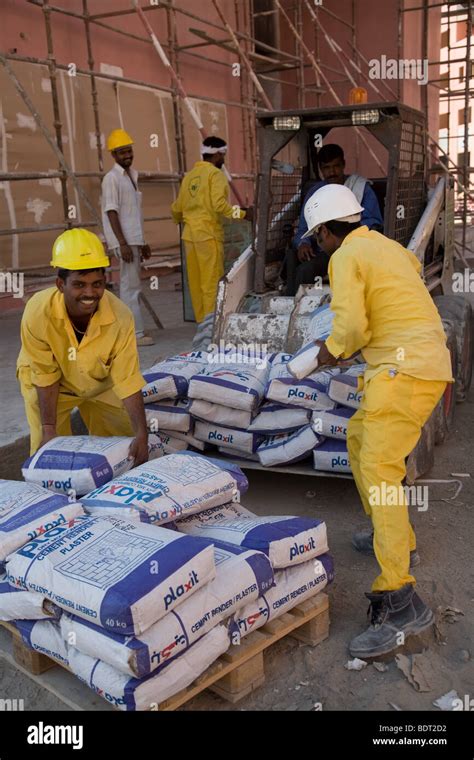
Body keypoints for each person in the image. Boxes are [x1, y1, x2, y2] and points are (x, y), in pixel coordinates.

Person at [302, 184, 453, 657]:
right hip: (417, 364)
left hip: (402, 371)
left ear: (328, 230)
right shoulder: (387, 247)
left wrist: (326, 354)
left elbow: (350, 328)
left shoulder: (344, 257)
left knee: (381, 470)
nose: (319, 244)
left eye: (318, 236)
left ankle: (401, 598)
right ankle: (396, 537)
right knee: (358, 437)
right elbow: (390, 309)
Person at [17, 228, 150, 466]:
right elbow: (45, 374)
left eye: (97, 284)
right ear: (60, 284)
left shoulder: (121, 317)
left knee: (124, 447)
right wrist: (49, 428)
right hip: (49, 387)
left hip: (99, 384)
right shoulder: (38, 313)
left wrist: (142, 432)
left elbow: (127, 378)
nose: (89, 293)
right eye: (79, 284)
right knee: (50, 454)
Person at [171, 136, 252, 326]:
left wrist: (184, 220)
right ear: (215, 155)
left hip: (190, 237)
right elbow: (219, 206)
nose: (223, 159)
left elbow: (176, 208)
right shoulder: (215, 175)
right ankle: (211, 328)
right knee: (210, 285)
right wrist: (243, 214)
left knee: (197, 285)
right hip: (208, 236)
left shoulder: (189, 177)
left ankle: (202, 325)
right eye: (222, 155)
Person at [287, 144, 383, 295]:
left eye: (336, 166)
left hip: (353, 248)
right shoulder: (314, 193)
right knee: (297, 263)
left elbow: (374, 222)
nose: (332, 172)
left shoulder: (360, 188)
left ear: (343, 165)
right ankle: (293, 305)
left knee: (312, 270)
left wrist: (342, 230)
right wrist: (303, 243)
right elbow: (303, 229)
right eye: (326, 168)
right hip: (323, 250)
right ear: (320, 168)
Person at [101, 128, 154, 347]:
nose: (127, 156)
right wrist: (122, 243)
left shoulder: (132, 176)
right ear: (114, 155)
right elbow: (111, 211)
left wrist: (142, 242)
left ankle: (132, 331)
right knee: (129, 288)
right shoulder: (111, 179)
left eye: (129, 151)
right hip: (124, 242)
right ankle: (134, 334)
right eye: (122, 152)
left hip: (133, 240)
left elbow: (133, 214)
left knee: (132, 286)